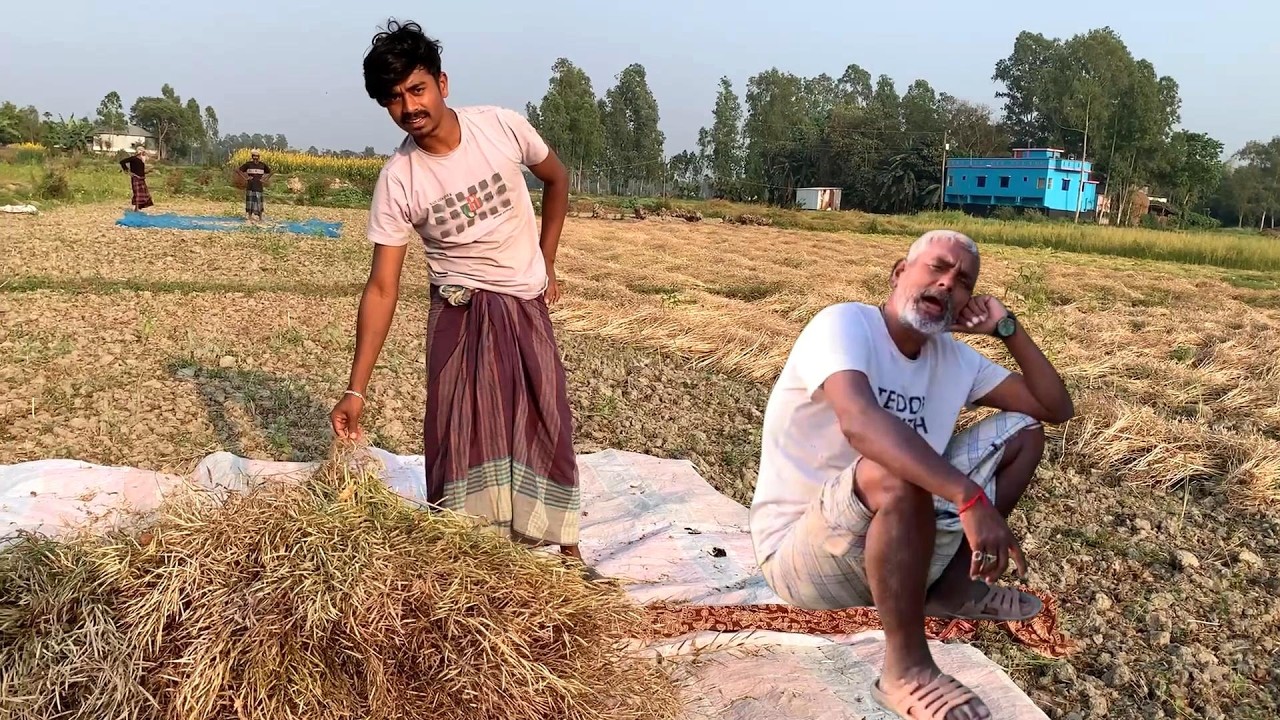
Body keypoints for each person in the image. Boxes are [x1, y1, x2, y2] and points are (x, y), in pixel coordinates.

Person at [749, 229, 1074, 720]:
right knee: (896, 465)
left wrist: (1009, 329)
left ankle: (950, 591)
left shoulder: (955, 359)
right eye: (937, 267)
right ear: (900, 273)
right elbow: (860, 423)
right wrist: (968, 497)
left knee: (1024, 432)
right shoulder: (844, 325)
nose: (948, 283)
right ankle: (905, 669)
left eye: (963, 282)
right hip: (805, 555)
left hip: (903, 544)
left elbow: (1054, 408)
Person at [329, 20, 588, 572]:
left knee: (546, 418)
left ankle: (566, 548)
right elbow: (382, 287)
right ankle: (465, 556)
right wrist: (356, 389)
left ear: (442, 84)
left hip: (523, 303)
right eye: (394, 98)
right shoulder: (399, 179)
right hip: (459, 311)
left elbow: (557, 178)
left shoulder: (501, 127)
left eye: (417, 89)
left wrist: (547, 259)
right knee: (458, 431)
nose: (409, 107)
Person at [237, 150, 272, 221]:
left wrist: (265, 179)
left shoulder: (262, 165)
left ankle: (260, 218)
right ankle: (249, 217)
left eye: (257, 156)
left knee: (259, 203)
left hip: (259, 186)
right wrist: (246, 178)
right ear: (252, 157)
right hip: (250, 186)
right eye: (254, 156)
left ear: (259, 157)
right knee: (250, 202)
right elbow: (238, 170)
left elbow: (270, 172)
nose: (255, 158)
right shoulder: (248, 164)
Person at [119, 147, 153, 212]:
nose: (144, 154)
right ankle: (136, 208)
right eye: (143, 152)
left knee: (143, 194)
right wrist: (128, 171)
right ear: (140, 152)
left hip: (141, 179)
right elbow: (122, 162)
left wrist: (148, 171)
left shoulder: (141, 161)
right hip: (136, 178)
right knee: (137, 193)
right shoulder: (133, 158)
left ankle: (138, 208)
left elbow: (140, 171)